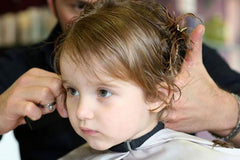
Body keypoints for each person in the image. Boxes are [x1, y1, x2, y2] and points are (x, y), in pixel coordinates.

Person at [0, 0, 239, 159]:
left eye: (103, 92)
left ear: (158, 94)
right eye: (72, 91)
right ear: (52, 5)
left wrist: (225, 112)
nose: (82, 112)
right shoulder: (14, 68)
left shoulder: (184, 54)